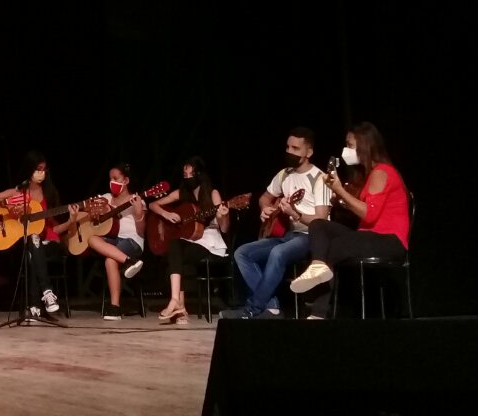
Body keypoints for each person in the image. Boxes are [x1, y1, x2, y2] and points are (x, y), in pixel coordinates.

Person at [289, 122, 410, 319]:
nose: (346, 150)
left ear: (365, 145)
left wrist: (340, 191)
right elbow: (364, 211)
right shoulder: (369, 174)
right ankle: (318, 266)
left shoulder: (382, 172)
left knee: (335, 246)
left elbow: (369, 214)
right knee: (318, 225)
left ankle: (319, 309)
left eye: (350, 145)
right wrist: (341, 200)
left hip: (388, 240)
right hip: (368, 236)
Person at [222, 127, 331, 319]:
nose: (289, 151)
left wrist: (295, 214)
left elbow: (321, 221)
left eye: (296, 148)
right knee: (242, 253)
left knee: (277, 253)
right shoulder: (284, 174)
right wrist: (265, 208)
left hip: (311, 237)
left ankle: (252, 309)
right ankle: (271, 306)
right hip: (290, 236)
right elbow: (264, 197)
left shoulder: (320, 179)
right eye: (288, 147)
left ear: (309, 152)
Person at [0, 151, 73, 318]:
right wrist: (8, 204)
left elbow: (55, 229)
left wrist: (70, 221)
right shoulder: (18, 193)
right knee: (32, 241)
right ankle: (45, 295)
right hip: (29, 244)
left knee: (33, 246)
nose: (41, 173)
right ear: (29, 170)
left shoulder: (49, 195)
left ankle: (36, 303)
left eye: (44, 169)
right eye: (38, 169)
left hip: (50, 244)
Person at [148, 157, 230, 324]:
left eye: (191, 174)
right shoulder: (182, 192)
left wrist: (223, 216)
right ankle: (178, 305)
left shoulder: (213, 193)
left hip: (208, 240)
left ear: (199, 174)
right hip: (188, 238)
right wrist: (167, 214)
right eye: (185, 174)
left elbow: (225, 228)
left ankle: (178, 306)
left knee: (175, 257)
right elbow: (153, 205)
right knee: (174, 247)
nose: (187, 178)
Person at [88, 163, 146, 321]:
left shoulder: (136, 200)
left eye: (116, 178)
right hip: (111, 239)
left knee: (110, 260)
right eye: (110, 179)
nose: (111, 182)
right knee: (92, 239)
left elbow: (141, 231)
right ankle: (129, 262)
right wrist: (96, 212)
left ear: (126, 180)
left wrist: (139, 213)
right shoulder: (106, 198)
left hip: (132, 241)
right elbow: (92, 212)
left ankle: (115, 307)